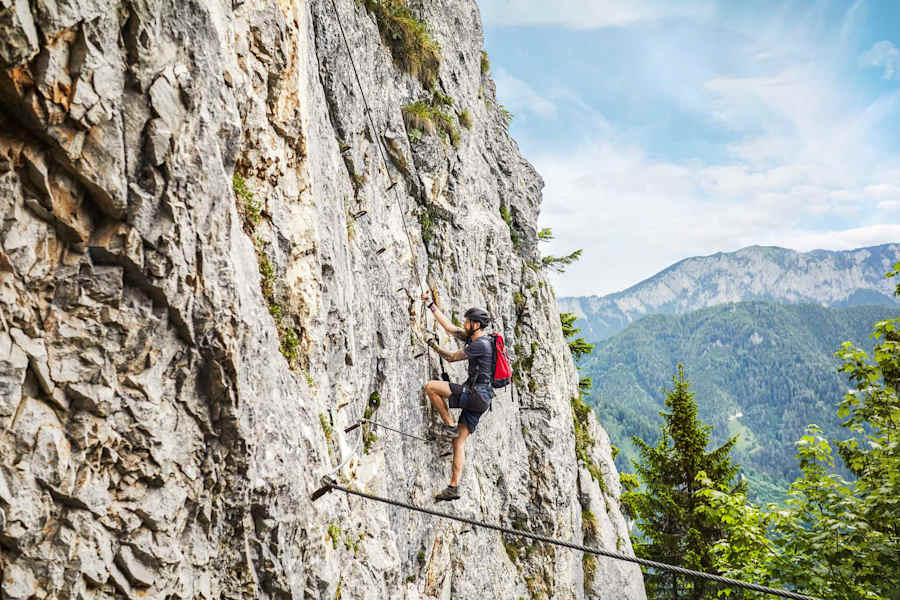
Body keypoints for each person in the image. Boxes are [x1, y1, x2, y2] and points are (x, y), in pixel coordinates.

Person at [422, 294, 495, 501]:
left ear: (476, 324)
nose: (464, 324)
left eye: (467, 321)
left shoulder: (480, 345)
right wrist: (431, 305)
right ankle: (453, 487)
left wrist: (432, 345)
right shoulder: (477, 338)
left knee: (431, 387)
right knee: (459, 442)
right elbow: (451, 329)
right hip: (482, 399)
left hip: (475, 395)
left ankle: (450, 424)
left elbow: (452, 358)